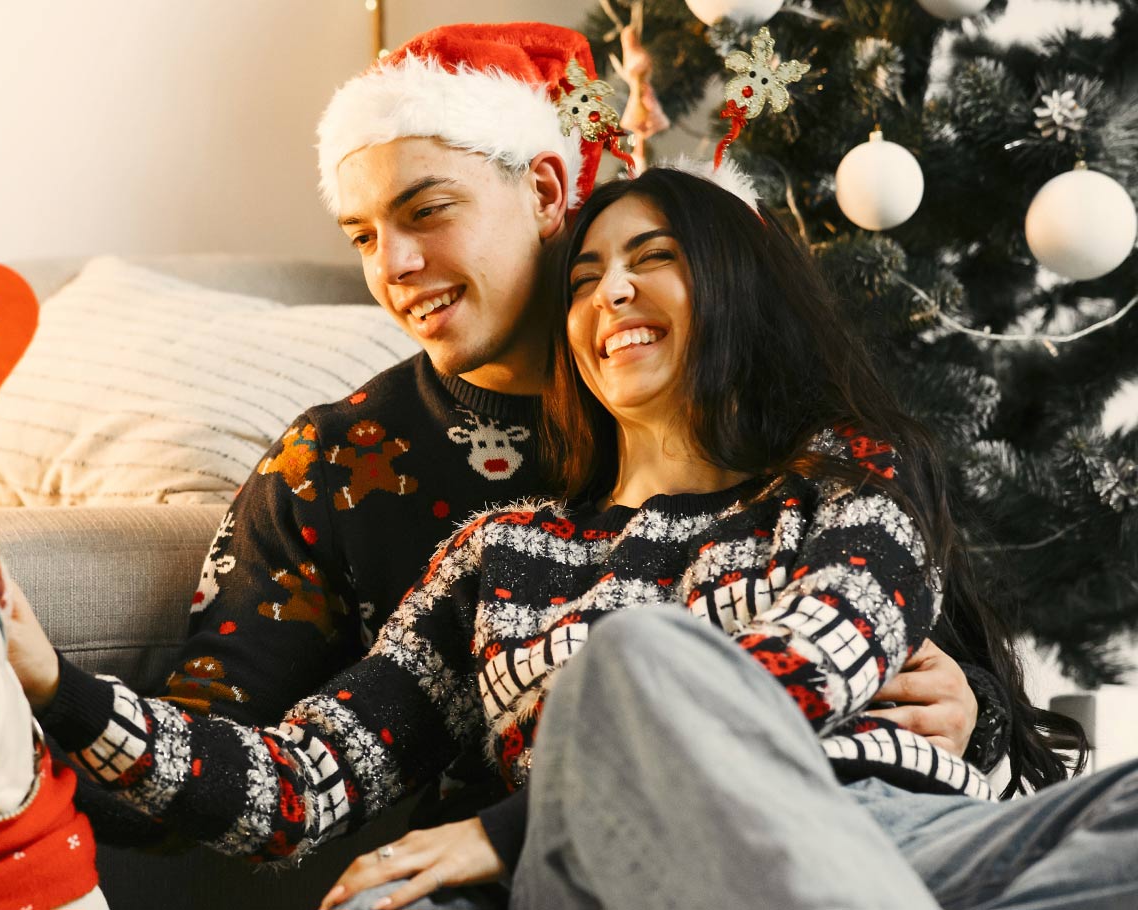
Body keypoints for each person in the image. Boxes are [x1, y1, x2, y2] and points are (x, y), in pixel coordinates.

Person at [3, 26, 998, 847]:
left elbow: (925, 663)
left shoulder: (807, 460)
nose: (391, 264)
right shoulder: (367, 479)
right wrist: (21, 705)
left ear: (546, 191)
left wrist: (956, 712)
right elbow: (258, 760)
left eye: (425, 211)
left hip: (864, 825)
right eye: (358, 235)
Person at [316, 167, 1107, 910]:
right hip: (637, 862)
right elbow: (306, 774)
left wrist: (505, 831)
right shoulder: (502, 552)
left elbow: (828, 646)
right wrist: (185, 759)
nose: (612, 291)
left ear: (737, 286)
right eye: (583, 282)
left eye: (653, 257)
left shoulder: (849, 471)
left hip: (905, 833)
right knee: (632, 660)